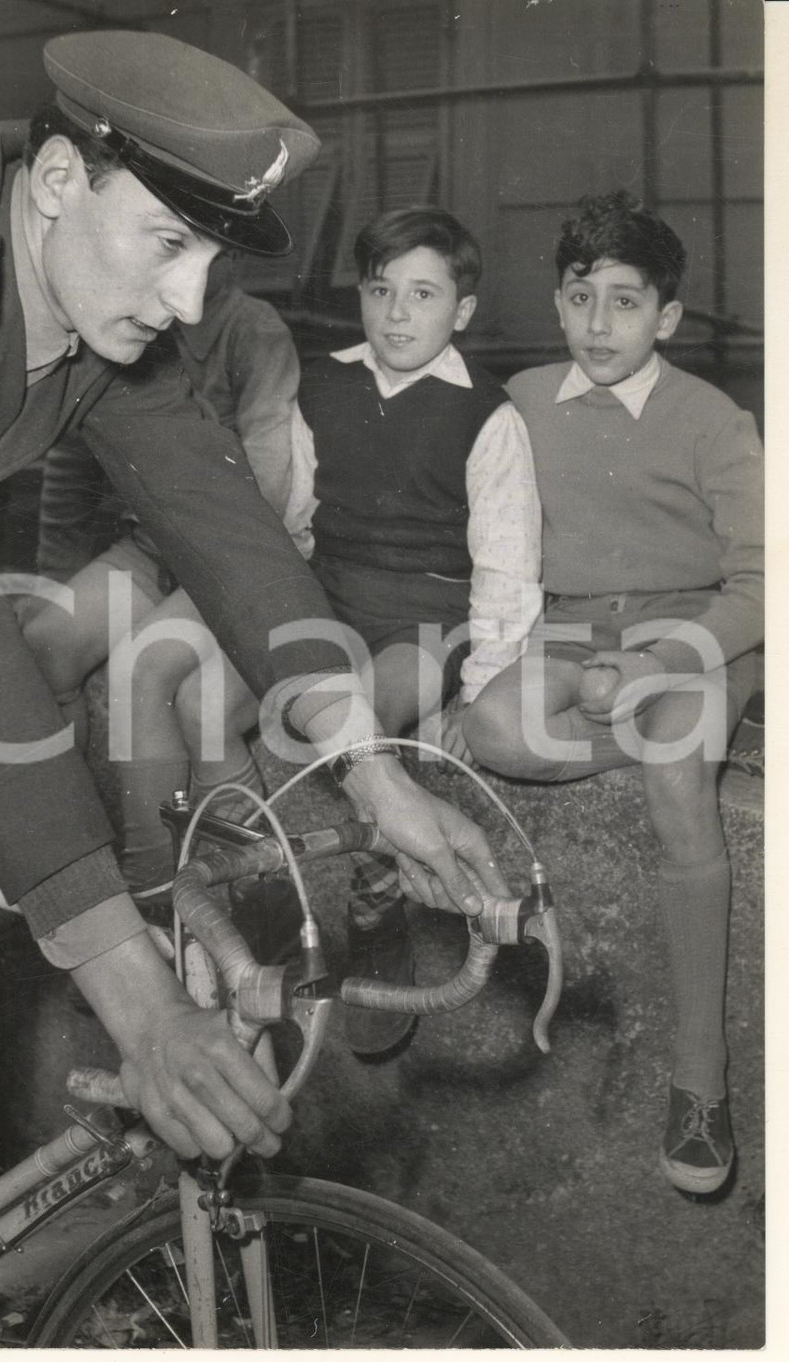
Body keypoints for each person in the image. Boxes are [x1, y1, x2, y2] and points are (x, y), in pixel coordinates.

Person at [0, 30, 511, 1297]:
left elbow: (225, 526)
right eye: (169, 246)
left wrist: (375, 773)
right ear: (64, 178)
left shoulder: (85, 288)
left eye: (209, 260)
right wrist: (143, 1014)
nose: (189, 304)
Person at [462, 190, 763, 1194]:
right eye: (581, 298)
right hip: (574, 625)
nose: (600, 325)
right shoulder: (523, 401)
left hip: (693, 631)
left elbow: (765, 582)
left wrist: (658, 673)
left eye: (625, 304)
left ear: (666, 319)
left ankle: (698, 1081)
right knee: (496, 728)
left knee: (679, 775)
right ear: (557, 303)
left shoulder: (714, 420)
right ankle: (649, 733)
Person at [288, 207, 543, 1056]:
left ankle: (375, 911)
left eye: (423, 294)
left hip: (428, 615)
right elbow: (294, 517)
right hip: (331, 597)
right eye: (380, 291)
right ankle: (264, 915)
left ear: (461, 312)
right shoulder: (321, 383)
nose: (397, 314)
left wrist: (478, 694)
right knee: (262, 713)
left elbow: (506, 568)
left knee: (372, 706)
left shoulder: (487, 415)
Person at [24, 254, 310, 893]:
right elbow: (71, 463)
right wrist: (56, 579)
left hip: (235, 545)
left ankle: (155, 882)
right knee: (45, 644)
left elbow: (270, 467)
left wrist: (199, 585)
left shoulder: (254, 331)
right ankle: (67, 854)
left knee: (144, 667)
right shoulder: (131, 312)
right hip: (154, 548)